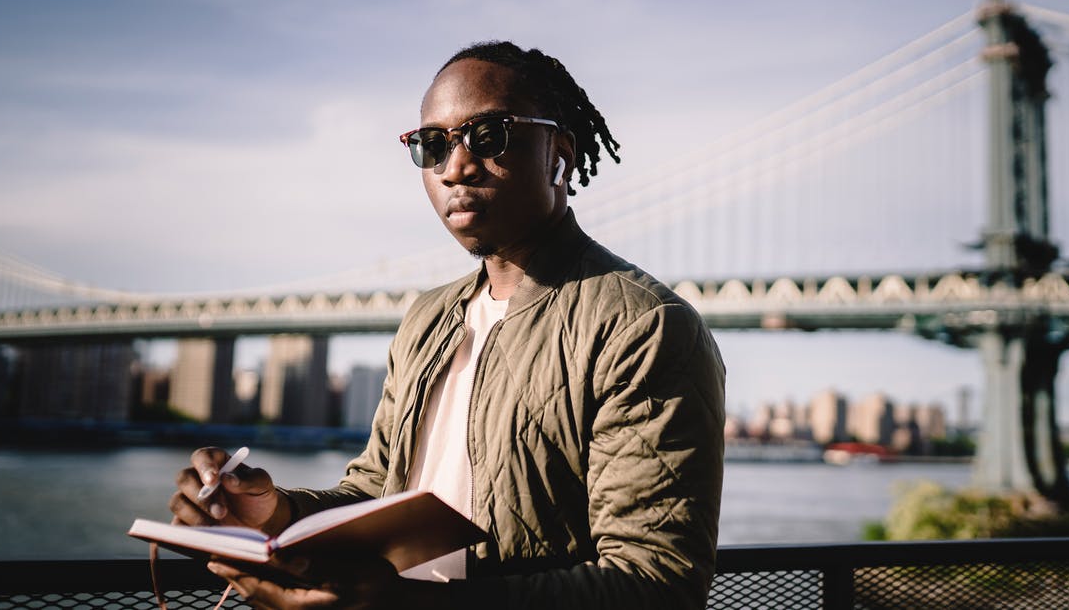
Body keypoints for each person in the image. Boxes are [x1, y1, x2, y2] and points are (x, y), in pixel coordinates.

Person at [169, 40, 726, 610]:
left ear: (560, 152)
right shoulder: (426, 319)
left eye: (488, 136)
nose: (454, 166)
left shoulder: (642, 326)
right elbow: (374, 496)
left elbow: (658, 585)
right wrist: (273, 511)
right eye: (431, 145)